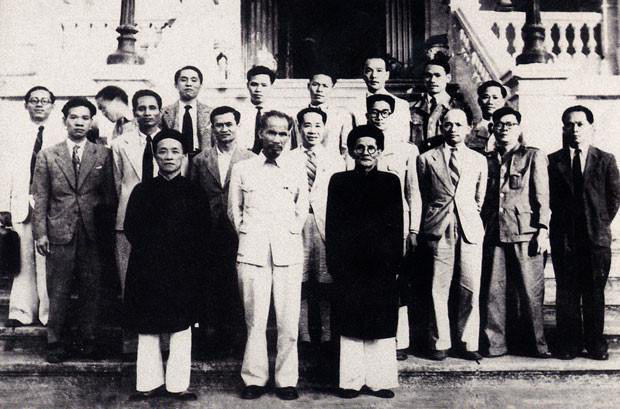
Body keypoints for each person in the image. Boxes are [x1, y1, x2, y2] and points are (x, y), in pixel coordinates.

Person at [124, 129, 211, 401]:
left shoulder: (194, 192)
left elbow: (203, 231)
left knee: (181, 327)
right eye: (163, 151)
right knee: (148, 327)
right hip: (148, 269)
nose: (169, 157)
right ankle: (148, 383)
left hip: (184, 270)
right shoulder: (142, 191)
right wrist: (155, 253)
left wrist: (185, 259)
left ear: (184, 156)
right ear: (155, 156)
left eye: (175, 151)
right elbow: (131, 228)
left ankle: (177, 385)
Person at [228, 110, 308, 401]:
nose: (277, 139)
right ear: (260, 133)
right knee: (255, 320)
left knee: (288, 322)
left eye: (283, 133)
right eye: (271, 132)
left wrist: (288, 233)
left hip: (287, 252)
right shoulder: (243, 169)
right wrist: (250, 235)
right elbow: (234, 211)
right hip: (253, 253)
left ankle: (286, 380)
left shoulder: (296, 168)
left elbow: (302, 209)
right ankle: (254, 379)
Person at [32, 97, 116, 363]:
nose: (79, 122)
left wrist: (107, 234)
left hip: (93, 232)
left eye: (85, 118)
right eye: (74, 117)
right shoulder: (48, 155)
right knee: (58, 289)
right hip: (59, 231)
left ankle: (88, 340)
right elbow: (40, 197)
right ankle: (55, 341)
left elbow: (109, 196)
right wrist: (40, 233)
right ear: (64, 120)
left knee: (92, 287)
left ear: (91, 122)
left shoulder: (103, 154)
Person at [326, 124, 402, 399]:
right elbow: (332, 225)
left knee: (380, 321)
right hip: (349, 265)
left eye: (371, 148)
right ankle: (351, 381)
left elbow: (397, 226)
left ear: (379, 151)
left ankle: (378, 381)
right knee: (351, 321)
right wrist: (335, 263)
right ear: (351, 151)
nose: (366, 152)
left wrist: (395, 263)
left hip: (382, 265)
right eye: (359, 147)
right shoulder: (339, 181)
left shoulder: (391, 182)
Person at [412, 107, 487, 361]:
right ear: (441, 127)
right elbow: (422, 195)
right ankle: (439, 341)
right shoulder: (427, 158)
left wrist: (466, 213)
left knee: (470, 286)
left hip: (469, 227)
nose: (453, 129)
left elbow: (479, 198)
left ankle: (468, 341)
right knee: (438, 286)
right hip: (438, 227)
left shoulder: (478, 160)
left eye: (458, 124)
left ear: (468, 128)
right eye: (448, 124)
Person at [548, 105, 620, 360]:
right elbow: (549, 198)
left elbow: (614, 198)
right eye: (569, 125)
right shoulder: (553, 161)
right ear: (564, 129)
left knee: (593, 293)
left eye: (580, 124)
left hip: (595, 239)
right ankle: (569, 343)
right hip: (565, 237)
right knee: (566, 292)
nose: (575, 129)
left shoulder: (606, 159)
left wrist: (598, 222)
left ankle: (595, 343)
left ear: (591, 128)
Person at [480, 107, 551, 358]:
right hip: (494, 231)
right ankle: (495, 344)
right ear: (492, 128)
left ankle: (536, 345)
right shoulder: (486, 158)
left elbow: (542, 196)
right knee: (493, 292)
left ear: (519, 128)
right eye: (499, 124)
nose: (504, 129)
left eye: (510, 124)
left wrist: (543, 229)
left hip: (525, 232)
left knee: (531, 291)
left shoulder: (532, 156)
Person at [190, 106, 255, 356]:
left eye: (229, 124)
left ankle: (237, 339)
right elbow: (193, 195)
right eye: (219, 125)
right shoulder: (200, 160)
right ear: (212, 128)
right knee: (210, 284)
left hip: (238, 230)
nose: (224, 129)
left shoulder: (250, 159)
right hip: (208, 230)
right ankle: (211, 338)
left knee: (236, 285)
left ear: (237, 126)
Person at [0, 86, 63, 328]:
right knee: (23, 259)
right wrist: (3, 205)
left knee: (47, 260)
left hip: (51, 205)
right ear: (26, 105)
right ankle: (21, 311)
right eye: (34, 100)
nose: (39, 104)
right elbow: (4, 171)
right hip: (21, 203)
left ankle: (48, 313)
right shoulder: (15, 136)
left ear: (52, 106)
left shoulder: (60, 135)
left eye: (44, 101)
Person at [365, 93, 421, 361]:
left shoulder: (406, 150)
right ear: (367, 115)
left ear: (392, 115)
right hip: (367, 227)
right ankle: (374, 335)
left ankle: (400, 340)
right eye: (374, 112)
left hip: (398, 226)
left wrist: (413, 230)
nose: (379, 117)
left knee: (397, 282)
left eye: (385, 112)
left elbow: (414, 193)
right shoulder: (361, 145)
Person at [288, 107, 344, 366]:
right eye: (307, 125)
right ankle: (303, 336)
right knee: (298, 282)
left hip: (325, 226)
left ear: (324, 129)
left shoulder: (336, 159)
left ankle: (326, 335)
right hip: (295, 226)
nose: (312, 130)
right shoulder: (288, 158)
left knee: (324, 281)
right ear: (299, 128)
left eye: (317, 125)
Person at [409, 58, 460, 153]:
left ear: (448, 78)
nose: (432, 80)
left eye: (437, 75)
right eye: (428, 76)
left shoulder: (457, 107)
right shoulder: (412, 108)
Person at [358, 56, 410, 143]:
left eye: (379, 71)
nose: (374, 76)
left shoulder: (401, 105)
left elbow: (403, 139)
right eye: (369, 71)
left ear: (387, 75)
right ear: (363, 75)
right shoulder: (355, 105)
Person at [162, 65, 212, 154]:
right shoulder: (164, 113)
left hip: (203, 158)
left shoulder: (211, 113)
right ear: (176, 85)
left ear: (201, 85)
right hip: (175, 158)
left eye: (194, 80)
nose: (189, 84)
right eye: (183, 80)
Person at [305, 69, 355, 156]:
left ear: (332, 88)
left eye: (325, 86)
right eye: (315, 84)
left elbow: (346, 150)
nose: (319, 89)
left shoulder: (341, 116)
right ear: (308, 86)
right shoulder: (298, 116)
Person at [465, 80, 508, 153]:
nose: (490, 102)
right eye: (486, 97)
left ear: (503, 102)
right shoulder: (469, 131)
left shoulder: (512, 130)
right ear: (479, 101)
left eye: (495, 97)